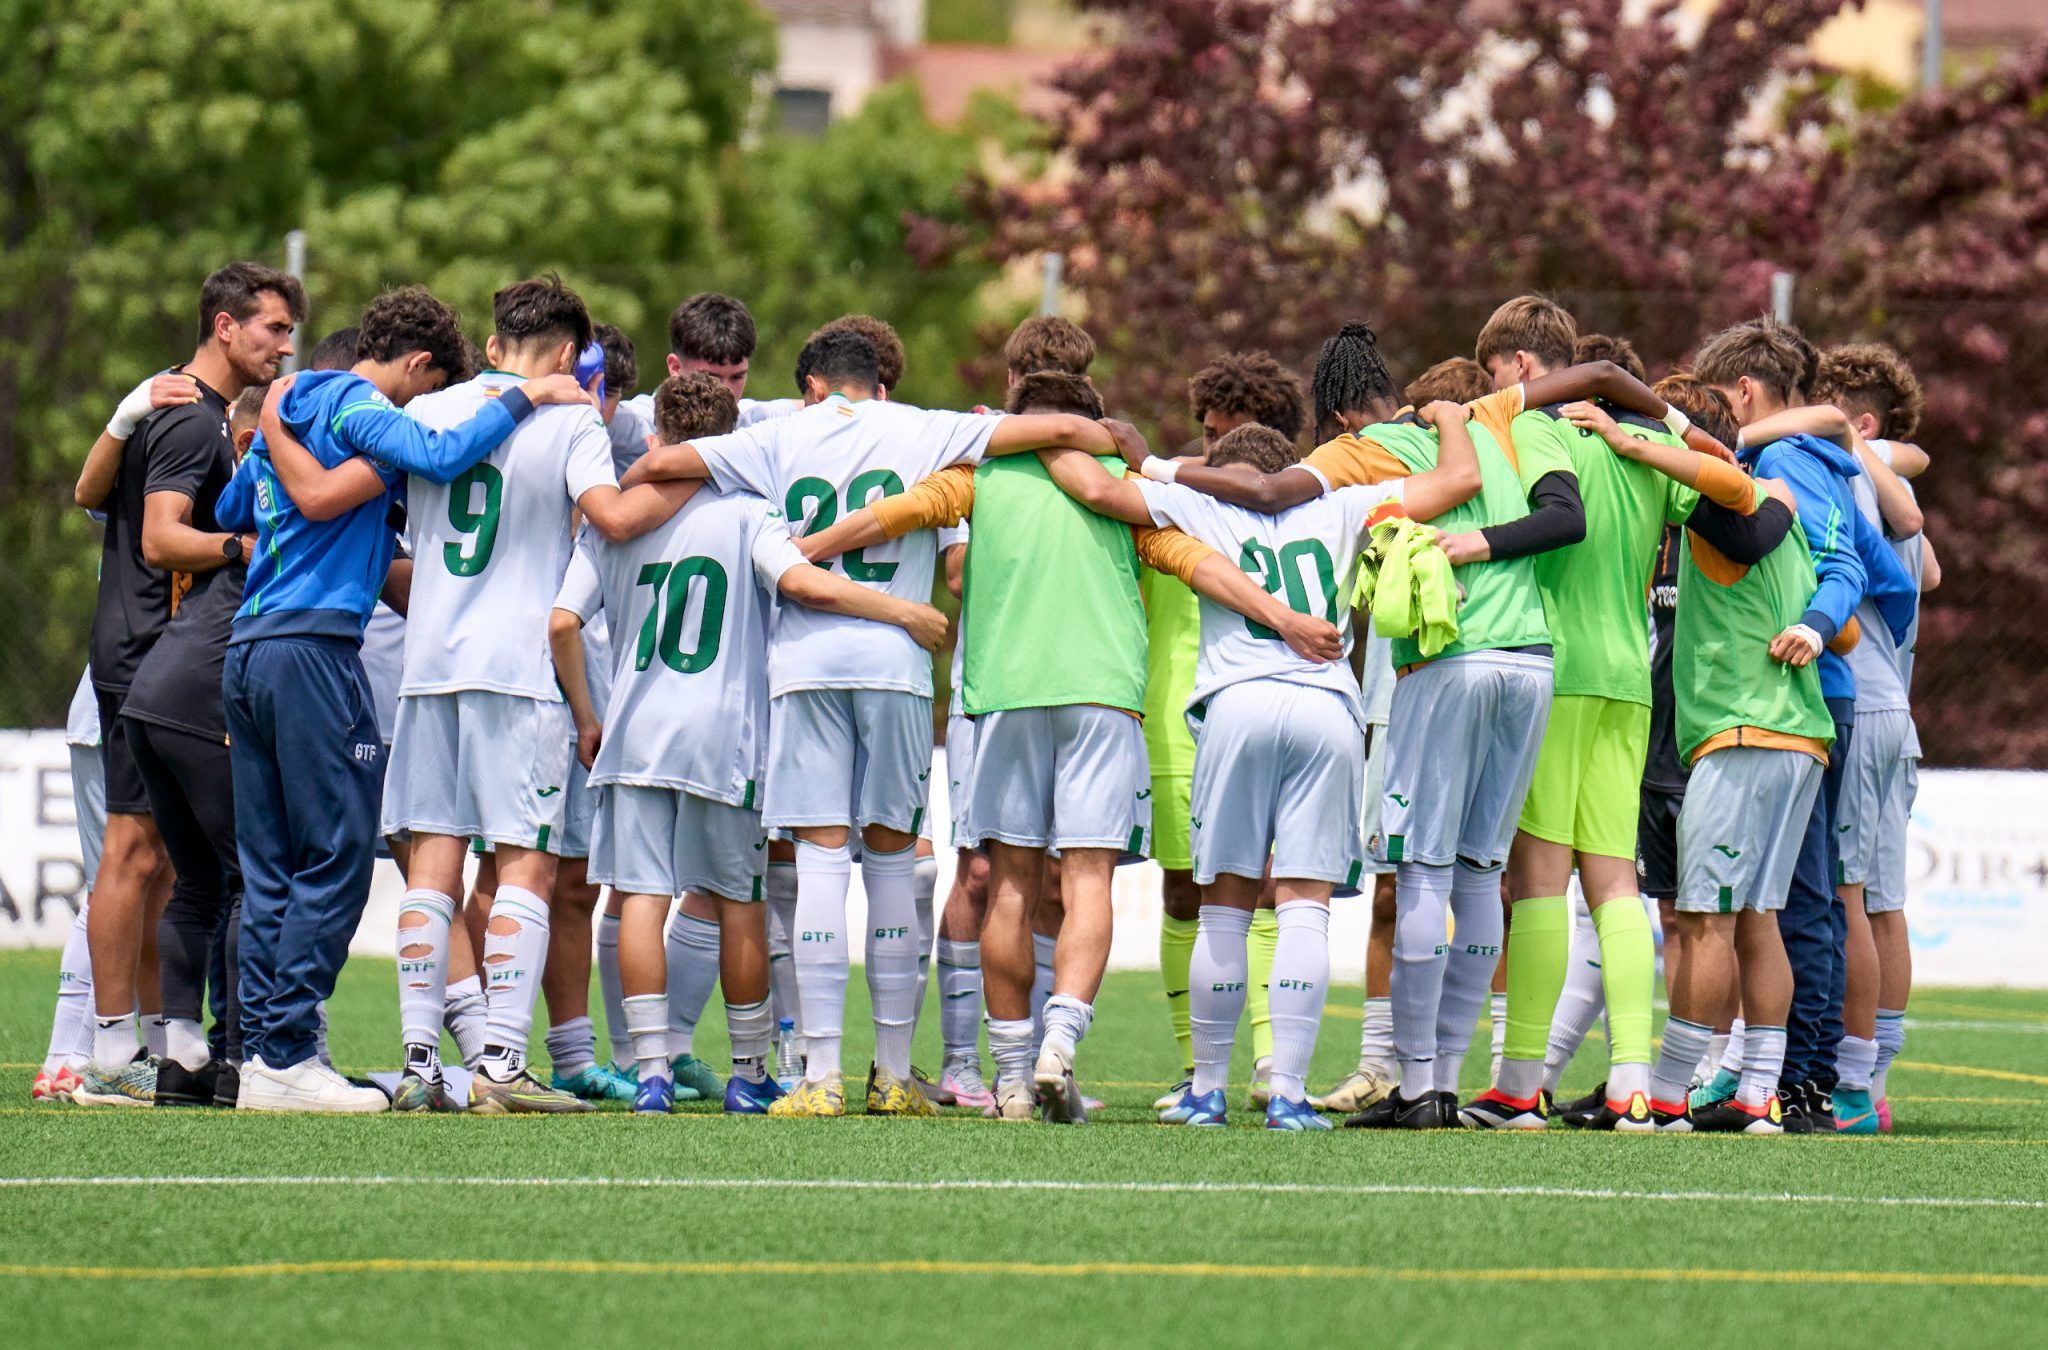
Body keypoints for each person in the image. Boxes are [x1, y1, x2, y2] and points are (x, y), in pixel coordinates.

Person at [620, 328, 1248, 1117]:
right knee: (897, 865)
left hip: (811, 668)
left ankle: (819, 1075)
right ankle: (895, 1071)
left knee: (824, 865)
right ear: (879, 381)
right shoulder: (927, 427)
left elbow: (667, 463)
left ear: (812, 382)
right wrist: (1113, 439)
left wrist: (779, 541)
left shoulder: (781, 436)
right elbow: (1061, 435)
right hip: (903, 669)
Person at [798, 371, 1339, 1122]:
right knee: (1088, 882)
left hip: (1005, 693)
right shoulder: (1121, 481)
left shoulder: (978, 475)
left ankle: (1014, 1077)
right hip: (1102, 694)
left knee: (1012, 883)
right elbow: (1199, 563)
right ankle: (1060, 1042)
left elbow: (891, 515)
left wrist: (807, 548)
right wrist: (1286, 620)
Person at [217, 284, 591, 1112]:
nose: (427, 408)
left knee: (272, 863)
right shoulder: (355, 403)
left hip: (248, 646)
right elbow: (435, 457)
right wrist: (528, 394)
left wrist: (276, 437)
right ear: (418, 365)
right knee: (338, 853)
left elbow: (235, 507)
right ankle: (287, 1054)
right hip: (314, 647)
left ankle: (262, 1058)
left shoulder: (295, 400)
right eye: (427, 390)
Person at [553, 371, 948, 1114]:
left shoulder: (615, 525)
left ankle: (652, 1074)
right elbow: (806, 584)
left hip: (634, 734)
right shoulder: (747, 512)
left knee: (640, 897)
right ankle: (745, 1072)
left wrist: (586, 714)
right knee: (738, 901)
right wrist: (904, 613)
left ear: (659, 434)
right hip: (724, 735)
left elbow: (562, 624)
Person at [370, 277, 679, 1115]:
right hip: (518, 673)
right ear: (576, 353)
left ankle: (420, 1065)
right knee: (526, 866)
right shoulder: (572, 418)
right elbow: (612, 519)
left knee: (431, 868)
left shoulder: (434, 412)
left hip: (430, 665)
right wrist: (693, 480)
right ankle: (503, 1066)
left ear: (497, 343)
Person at [1468, 298, 1753, 1132]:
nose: (1496, 392)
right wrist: (1661, 421)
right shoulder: (1647, 444)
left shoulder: (1541, 433)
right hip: (1632, 678)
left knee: (1541, 883)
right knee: (1616, 884)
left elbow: (1545, 523)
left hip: (1556, 670)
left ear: (1524, 368)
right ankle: (1634, 1079)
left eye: (1497, 375)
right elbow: (1731, 492)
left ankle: (1519, 1082)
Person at [74, 261, 301, 1107]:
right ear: (224, 326)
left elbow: (87, 491)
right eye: (272, 329)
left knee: (168, 860)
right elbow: (163, 543)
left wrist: (122, 415)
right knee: (136, 852)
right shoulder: (190, 419)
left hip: (144, 649)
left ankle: (159, 1044)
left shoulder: (174, 408)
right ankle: (109, 1051)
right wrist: (249, 550)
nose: (283, 345)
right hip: (146, 650)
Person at [1564, 401, 1820, 1133]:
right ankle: (1757, 1093)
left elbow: (1712, 476)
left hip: (1741, 735)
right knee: (1757, 920)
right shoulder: (1786, 519)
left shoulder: (1730, 524)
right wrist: (1666, 418)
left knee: (1704, 922)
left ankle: (1670, 1095)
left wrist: (1631, 443)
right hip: (1799, 737)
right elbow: (1854, 625)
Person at [1692, 318, 1914, 1133]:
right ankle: (1782, 1078)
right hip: (1807, 692)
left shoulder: (1785, 460)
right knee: (1794, 899)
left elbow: (1850, 565)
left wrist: (1820, 625)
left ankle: (1806, 1082)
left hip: (1806, 691)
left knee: (1805, 900)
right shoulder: (1806, 451)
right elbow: (1887, 557)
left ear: (1743, 392)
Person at [1316, 354, 1491, 1115]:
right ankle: (1383, 1063)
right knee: (1394, 888)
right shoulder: (1386, 472)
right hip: (1392, 698)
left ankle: (1464, 1069)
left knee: (1486, 882)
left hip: (1469, 688)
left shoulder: (1498, 473)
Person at [1153, 351, 1309, 1112]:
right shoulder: (1171, 492)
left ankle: (1273, 1061)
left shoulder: (1311, 498)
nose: (1204, 444)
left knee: (1276, 887)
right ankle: (1196, 1064)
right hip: (1177, 710)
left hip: (1277, 702)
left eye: (1219, 431)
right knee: (1189, 888)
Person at [120, 387, 264, 1107]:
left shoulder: (246, 506)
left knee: (198, 881)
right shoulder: (283, 513)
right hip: (200, 701)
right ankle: (242, 1058)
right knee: (246, 878)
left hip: (150, 699)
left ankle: (180, 1062)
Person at [1813, 343, 1935, 1133]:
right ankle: (1874, 1081)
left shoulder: (1858, 480)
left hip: (1869, 706)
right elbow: (1930, 574)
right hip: (1900, 717)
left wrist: (1858, 449)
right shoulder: (1881, 485)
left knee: (1851, 896)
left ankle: (1854, 1087)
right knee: (1882, 902)